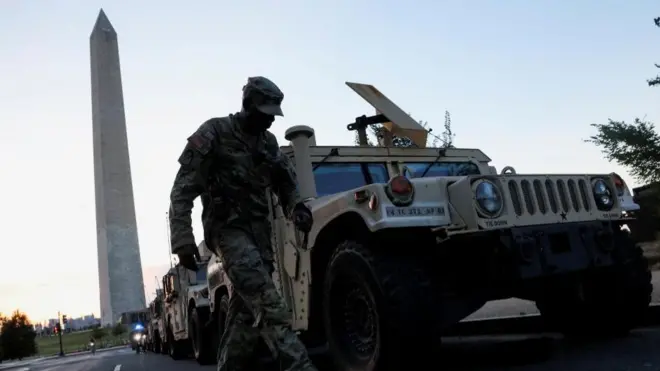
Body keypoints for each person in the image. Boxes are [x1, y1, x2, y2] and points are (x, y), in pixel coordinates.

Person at [168, 76, 317, 371]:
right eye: (265, 114)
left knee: (244, 317)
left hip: (260, 235)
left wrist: (297, 207)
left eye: (274, 115)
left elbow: (285, 180)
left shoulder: (268, 142)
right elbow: (182, 190)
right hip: (228, 232)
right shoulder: (215, 132)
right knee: (268, 303)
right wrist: (183, 239)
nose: (270, 122)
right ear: (248, 105)